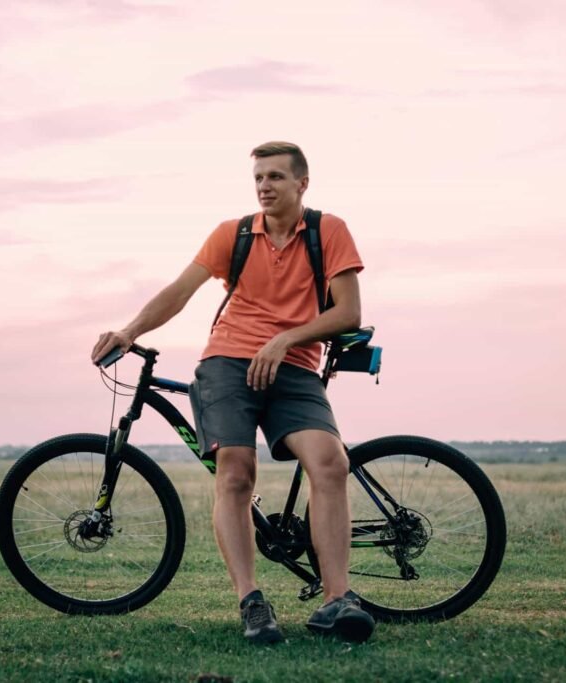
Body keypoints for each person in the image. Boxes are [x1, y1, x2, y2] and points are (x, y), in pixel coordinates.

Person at [90, 141, 375, 644]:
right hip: (227, 362)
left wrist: (285, 339)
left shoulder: (329, 231)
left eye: (276, 178)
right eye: (259, 178)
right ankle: (252, 601)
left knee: (330, 463)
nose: (265, 187)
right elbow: (179, 293)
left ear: (301, 184)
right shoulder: (233, 234)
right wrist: (130, 331)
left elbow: (348, 313)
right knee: (236, 472)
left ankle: (337, 600)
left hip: (295, 366)